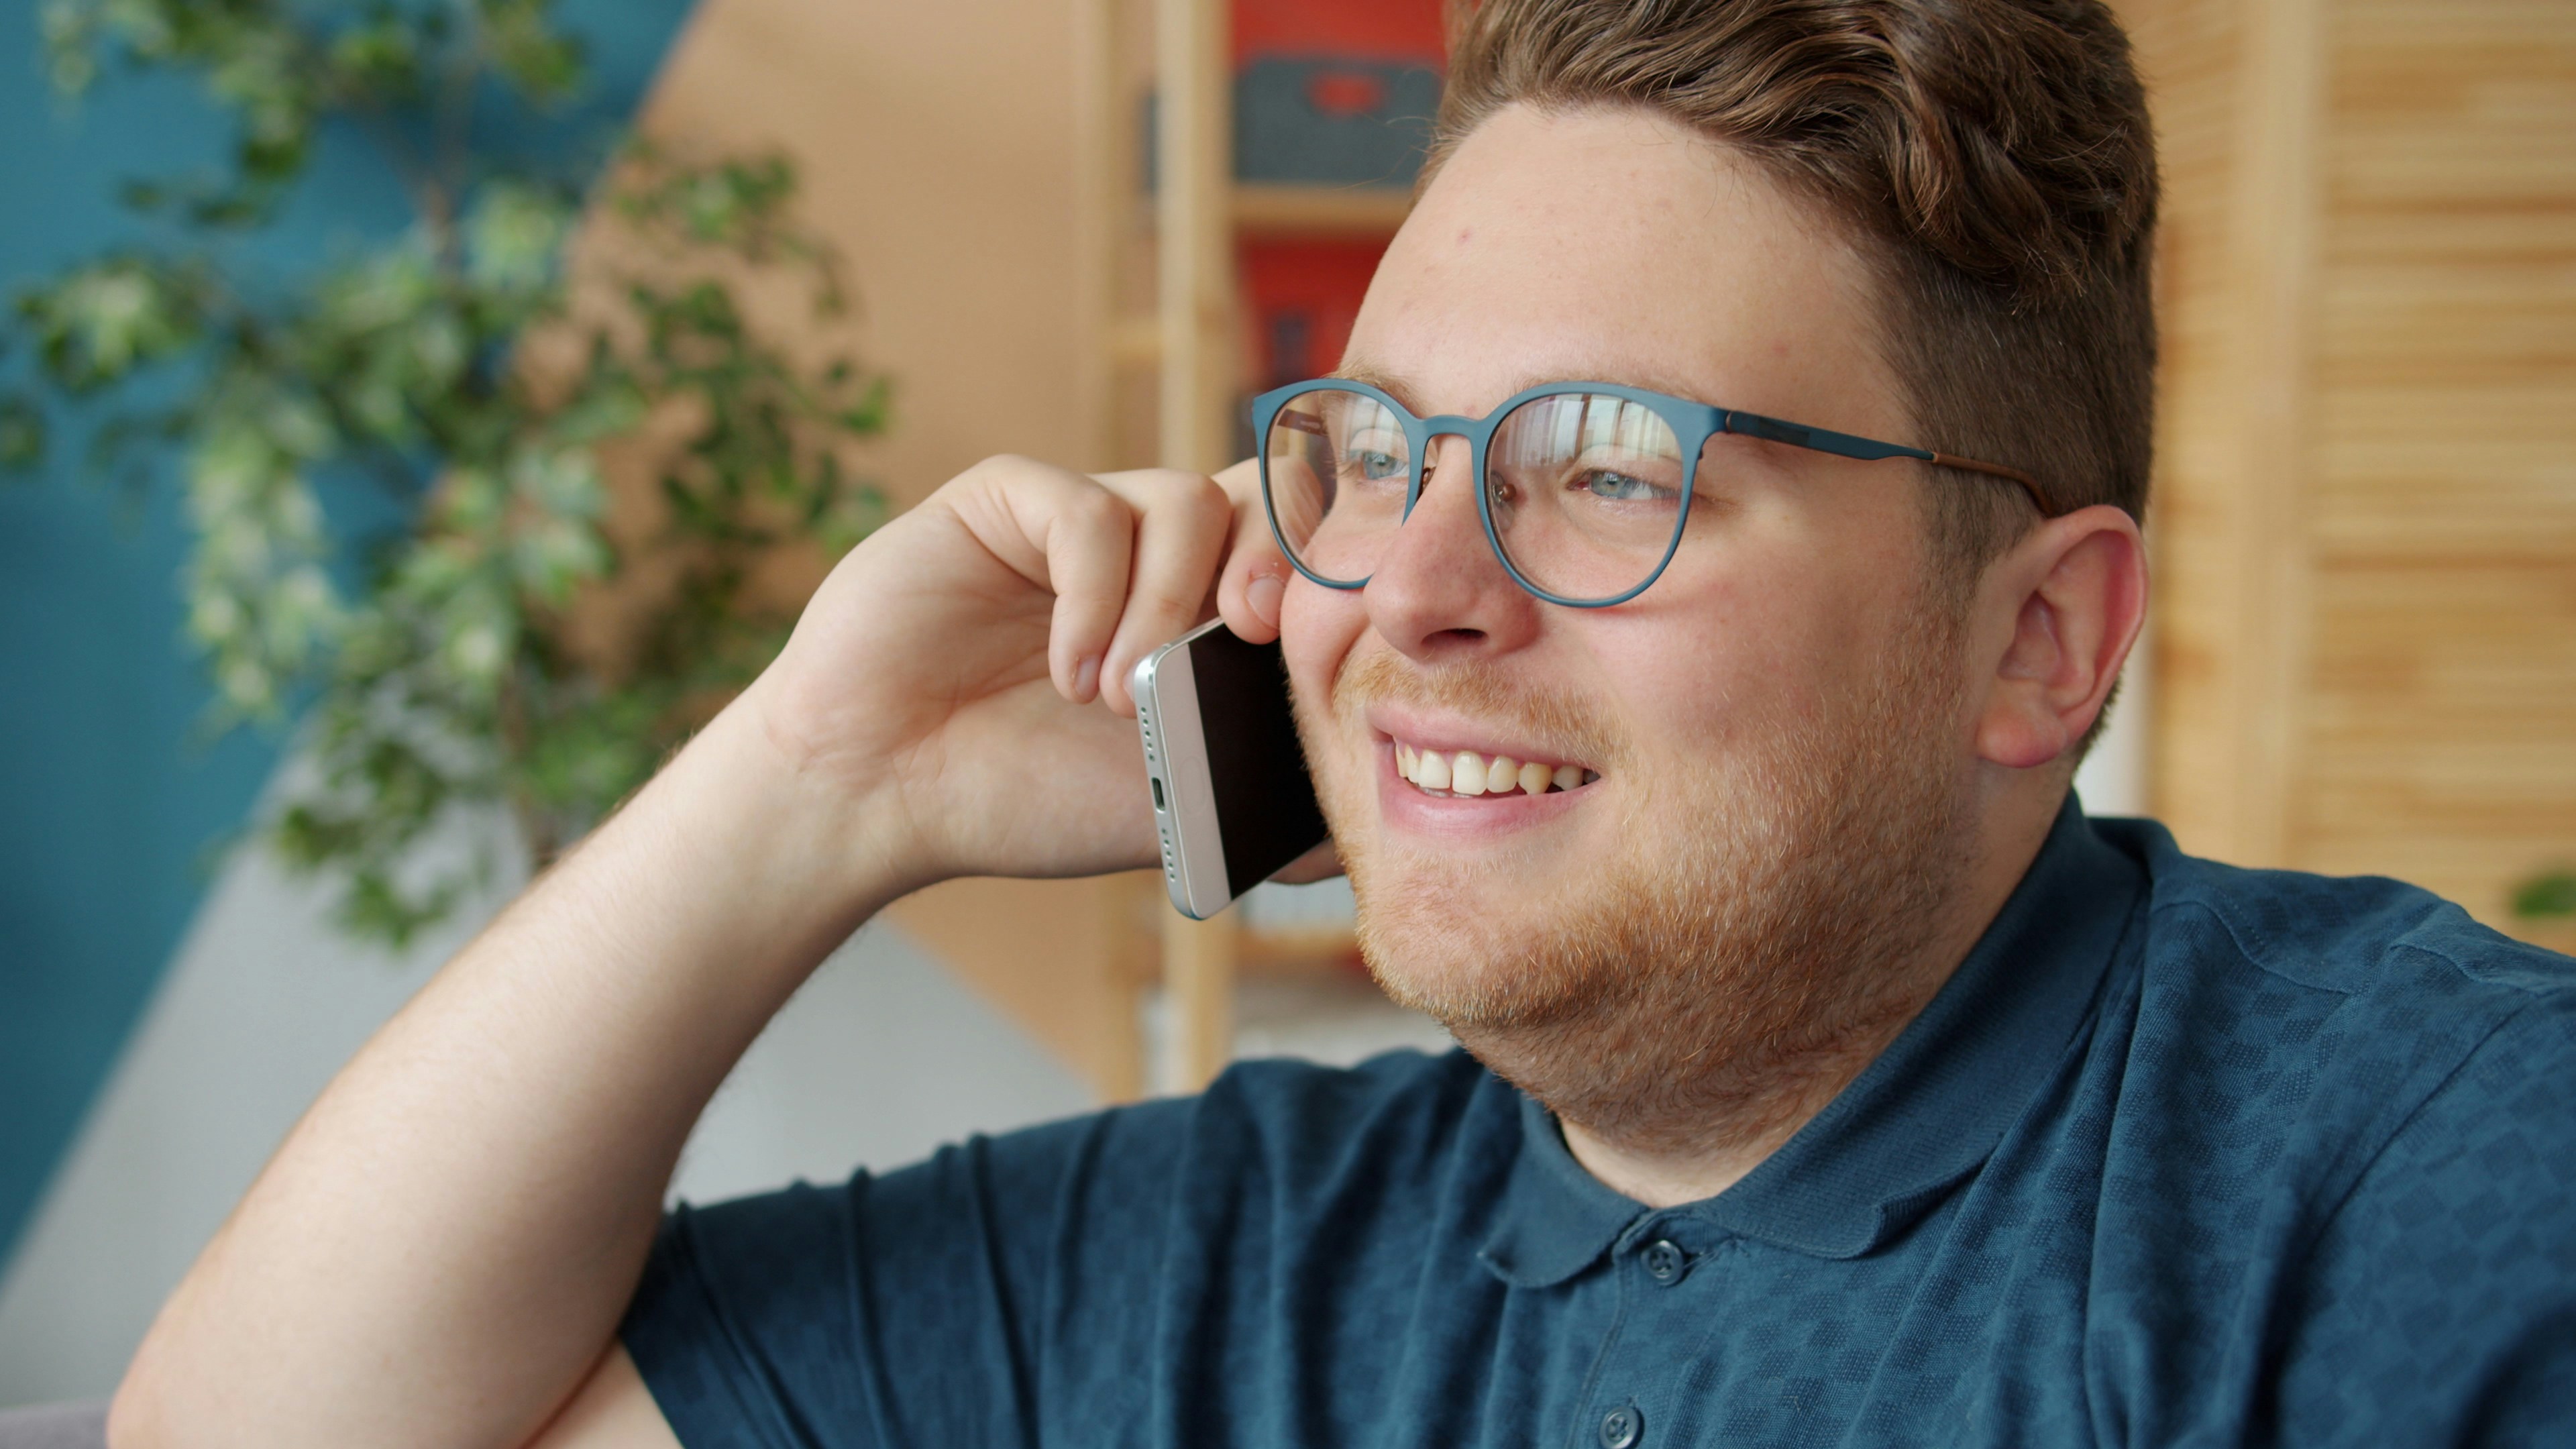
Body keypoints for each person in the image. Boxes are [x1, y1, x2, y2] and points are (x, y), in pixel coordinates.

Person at [110, 1, 2576, 1446]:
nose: (1408, 593)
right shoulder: (1235, 1260)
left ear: (2042, 644)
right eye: (1374, 451)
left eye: (1612, 472)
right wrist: (815, 786)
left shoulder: (2427, 1184)